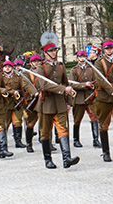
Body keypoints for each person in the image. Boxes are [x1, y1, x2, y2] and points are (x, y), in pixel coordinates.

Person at [36, 41, 79, 169]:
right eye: (51, 51)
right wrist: (62, 89)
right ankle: (47, 159)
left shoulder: (60, 66)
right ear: (45, 53)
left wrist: (69, 101)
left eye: (55, 50)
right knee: (45, 132)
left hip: (60, 103)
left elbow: (67, 84)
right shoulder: (40, 67)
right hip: (46, 103)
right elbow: (44, 85)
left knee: (63, 130)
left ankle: (67, 158)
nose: (54, 53)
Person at [69, 51, 101, 148]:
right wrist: (84, 85)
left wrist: (93, 85)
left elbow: (97, 80)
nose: (82, 58)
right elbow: (71, 83)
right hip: (79, 98)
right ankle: (76, 140)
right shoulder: (74, 70)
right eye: (80, 56)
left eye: (84, 56)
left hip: (90, 97)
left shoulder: (91, 69)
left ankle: (96, 139)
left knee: (94, 117)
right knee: (77, 119)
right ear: (77, 58)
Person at [2, 60, 26, 148]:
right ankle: (3, 143)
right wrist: (12, 91)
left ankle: (18, 141)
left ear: (12, 68)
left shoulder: (18, 77)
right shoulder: (0, 78)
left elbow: (22, 89)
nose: (7, 68)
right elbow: (2, 88)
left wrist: (23, 98)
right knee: (5, 123)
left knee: (18, 122)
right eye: (5, 66)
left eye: (9, 66)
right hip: (5, 103)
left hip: (16, 103)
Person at [21, 55, 42, 152]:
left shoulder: (44, 71)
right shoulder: (26, 73)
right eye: (34, 61)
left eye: (38, 61)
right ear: (31, 63)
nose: (36, 63)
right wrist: (35, 93)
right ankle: (29, 144)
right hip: (32, 100)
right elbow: (26, 85)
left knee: (45, 121)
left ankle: (47, 142)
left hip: (43, 99)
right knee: (31, 123)